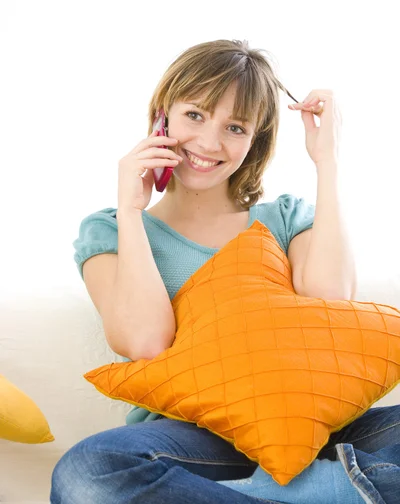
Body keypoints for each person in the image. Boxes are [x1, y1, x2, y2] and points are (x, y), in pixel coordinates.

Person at [51, 39, 400, 503]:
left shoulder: (285, 218)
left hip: (316, 426)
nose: (209, 143)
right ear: (163, 115)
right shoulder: (111, 231)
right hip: (196, 441)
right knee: (90, 471)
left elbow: (329, 298)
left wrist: (327, 161)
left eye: (235, 127)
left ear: (255, 141)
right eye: (194, 115)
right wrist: (132, 210)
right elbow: (145, 342)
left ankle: (291, 491)